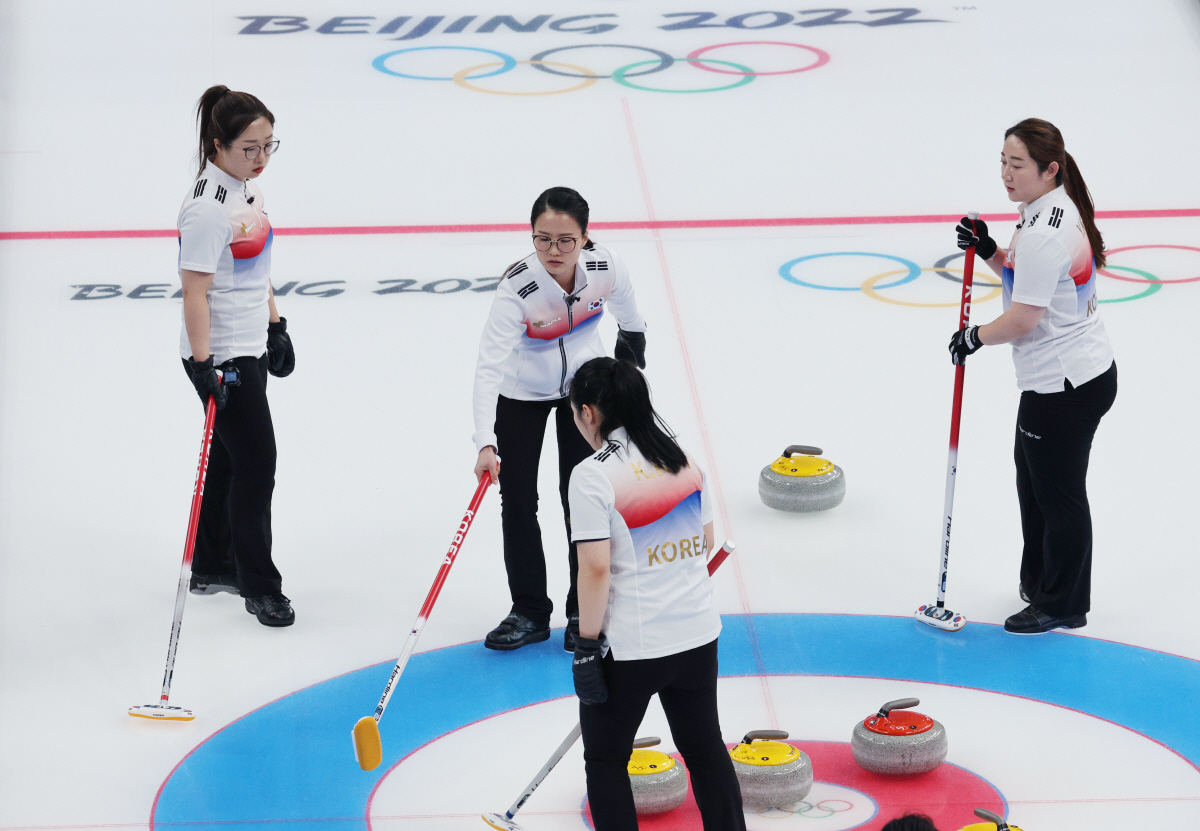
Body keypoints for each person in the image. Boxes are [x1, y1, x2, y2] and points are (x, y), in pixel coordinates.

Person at [950, 118, 1116, 635]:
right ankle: (1043, 580)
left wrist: (974, 336)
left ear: (1049, 169)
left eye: (1017, 164)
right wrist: (989, 250)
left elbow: (1025, 317)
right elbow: (1025, 276)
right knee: (1035, 480)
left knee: (1057, 493)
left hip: (1065, 386)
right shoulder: (1043, 212)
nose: (1006, 173)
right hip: (1063, 380)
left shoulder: (1047, 230)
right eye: (1002, 161)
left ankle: (1064, 602)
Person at [567, 357, 744, 831]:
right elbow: (703, 543)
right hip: (697, 635)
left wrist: (586, 646)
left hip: (632, 646)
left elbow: (596, 566)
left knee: (605, 761)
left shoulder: (591, 475)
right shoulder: (683, 462)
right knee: (705, 749)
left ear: (589, 413)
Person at [472, 187, 648, 651]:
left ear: (586, 238)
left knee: (583, 501)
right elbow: (488, 366)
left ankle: (582, 610)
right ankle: (529, 611)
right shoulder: (518, 287)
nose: (553, 250)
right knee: (519, 502)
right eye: (542, 239)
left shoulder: (605, 266)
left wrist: (633, 341)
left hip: (583, 397)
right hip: (521, 395)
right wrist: (484, 442)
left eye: (565, 240)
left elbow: (628, 308)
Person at [178, 85, 296, 626]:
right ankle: (259, 584)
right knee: (257, 463)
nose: (261, 157)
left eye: (269, 145)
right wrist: (205, 368)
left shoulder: (249, 192)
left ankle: (211, 563)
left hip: (249, 342)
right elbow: (196, 292)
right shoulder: (205, 210)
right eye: (250, 147)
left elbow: (257, 266)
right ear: (217, 145)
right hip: (222, 352)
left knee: (230, 459)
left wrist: (276, 325)